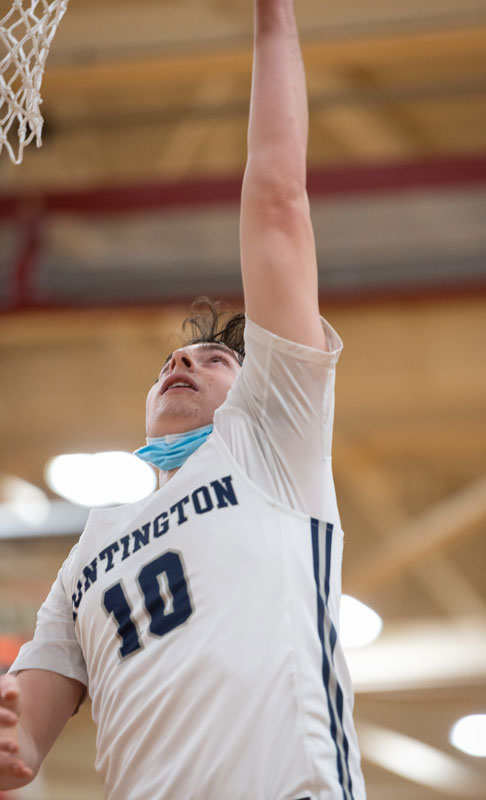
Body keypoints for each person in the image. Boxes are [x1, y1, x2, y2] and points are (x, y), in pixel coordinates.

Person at [0, 0, 366, 797]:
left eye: (211, 358)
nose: (182, 363)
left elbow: (278, 204)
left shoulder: (270, 440)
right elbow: (22, 739)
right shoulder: (88, 555)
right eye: (171, 358)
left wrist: (275, 19)